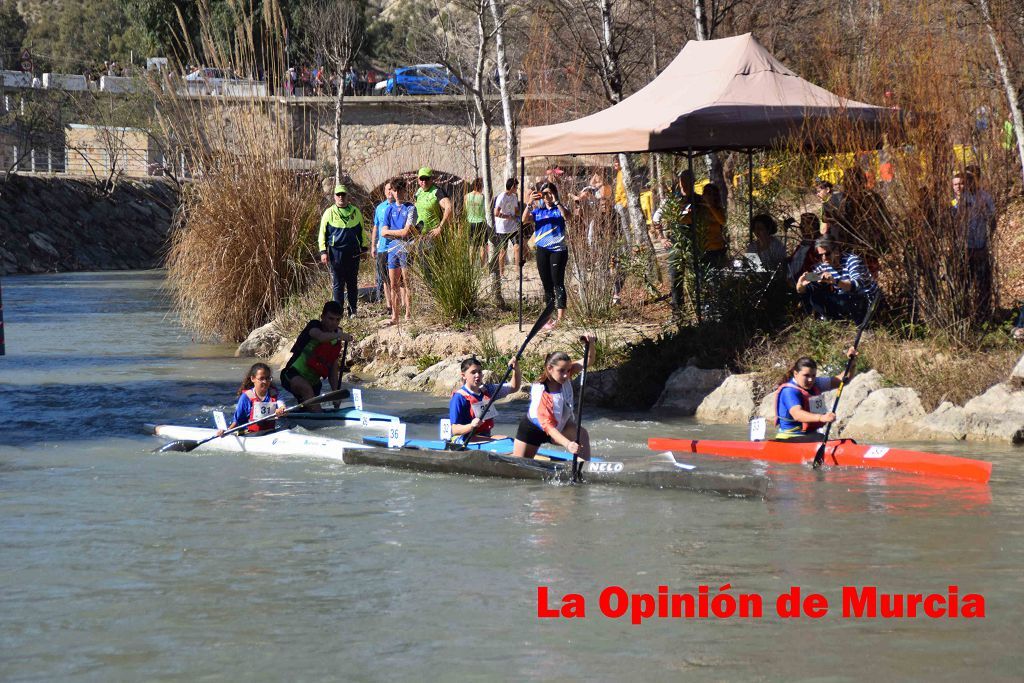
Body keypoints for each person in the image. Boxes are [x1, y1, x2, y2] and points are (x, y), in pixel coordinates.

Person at [512, 338, 596, 460]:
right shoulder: (542, 392)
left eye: (568, 370)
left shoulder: (564, 374)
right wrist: (568, 444)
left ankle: (584, 468)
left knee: (582, 434)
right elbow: (548, 427)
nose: (567, 375)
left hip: (559, 425)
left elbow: (589, 360)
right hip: (533, 430)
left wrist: (591, 344)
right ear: (550, 368)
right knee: (519, 464)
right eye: (561, 371)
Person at [280, 301, 354, 411]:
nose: (334, 323)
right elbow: (320, 337)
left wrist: (335, 393)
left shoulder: (336, 339)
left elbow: (333, 368)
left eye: (337, 320)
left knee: (307, 409)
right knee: (307, 391)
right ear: (322, 317)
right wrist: (339, 335)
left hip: (314, 383)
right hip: (292, 375)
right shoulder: (314, 326)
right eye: (330, 318)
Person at [773, 349, 857, 441]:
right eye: (806, 375)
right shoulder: (789, 391)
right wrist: (821, 418)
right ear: (796, 374)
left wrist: (851, 363)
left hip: (810, 436)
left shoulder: (816, 383)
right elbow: (797, 414)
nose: (810, 380)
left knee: (840, 440)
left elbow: (842, 380)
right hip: (789, 438)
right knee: (820, 437)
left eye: (813, 375)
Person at [522, 182, 571, 329]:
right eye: (544, 194)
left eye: (550, 193)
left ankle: (561, 318)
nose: (547, 196)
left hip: (558, 250)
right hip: (542, 250)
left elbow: (567, 216)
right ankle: (548, 317)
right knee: (547, 285)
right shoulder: (539, 211)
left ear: (554, 193)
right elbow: (524, 219)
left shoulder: (559, 209)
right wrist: (530, 203)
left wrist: (557, 200)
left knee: (558, 283)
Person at [795, 237, 879, 321]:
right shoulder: (824, 266)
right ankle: (827, 319)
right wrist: (801, 286)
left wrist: (835, 281)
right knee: (815, 294)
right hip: (847, 299)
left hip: (866, 300)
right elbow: (808, 284)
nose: (824, 258)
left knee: (845, 298)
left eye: (827, 254)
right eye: (820, 255)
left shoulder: (852, 261)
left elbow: (857, 286)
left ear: (836, 251)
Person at [955, 167, 996, 321]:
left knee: (982, 283)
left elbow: (993, 220)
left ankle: (983, 315)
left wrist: (987, 241)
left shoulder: (985, 197)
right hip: (963, 248)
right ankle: (963, 316)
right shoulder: (958, 198)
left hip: (980, 246)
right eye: (966, 178)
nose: (968, 181)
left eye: (971, 178)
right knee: (963, 284)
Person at [318, 184, 366, 317]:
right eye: (338, 195)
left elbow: (362, 231)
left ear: (347, 196)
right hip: (336, 253)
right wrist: (323, 251)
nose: (341, 197)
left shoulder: (356, 212)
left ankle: (353, 310)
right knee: (338, 284)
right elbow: (322, 233)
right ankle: (337, 313)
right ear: (334, 197)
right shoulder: (329, 212)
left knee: (352, 283)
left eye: (343, 194)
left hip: (353, 253)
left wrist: (364, 248)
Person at [448, 356, 521, 440]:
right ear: (463, 375)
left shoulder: (488, 390)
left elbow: (513, 387)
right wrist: (471, 426)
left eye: (479, 372)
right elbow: (454, 429)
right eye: (473, 372)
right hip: (464, 439)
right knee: (503, 442)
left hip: (484, 436)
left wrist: (516, 369)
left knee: (508, 440)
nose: (477, 375)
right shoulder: (459, 397)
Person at [379, 178, 418, 324]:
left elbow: (406, 232)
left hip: (406, 247)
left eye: (400, 190)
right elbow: (383, 232)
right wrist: (398, 232)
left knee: (407, 282)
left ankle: (408, 314)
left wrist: (392, 232)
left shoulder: (411, 208)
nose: (397, 193)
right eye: (394, 190)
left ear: (404, 190)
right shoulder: (389, 209)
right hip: (392, 249)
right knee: (393, 283)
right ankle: (395, 316)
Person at [219, 362, 286, 436]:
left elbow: (281, 405)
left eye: (267, 378)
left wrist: (282, 409)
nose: (265, 382)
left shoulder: (275, 394)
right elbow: (237, 421)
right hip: (252, 435)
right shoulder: (246, 397)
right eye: (261, 378)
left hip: (270, 434)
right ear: (253, 379)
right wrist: (226, 432)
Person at [371, 182, 395, 307]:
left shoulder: (400, 206)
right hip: (382, 248)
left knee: (397, 279)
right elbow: (376, 227)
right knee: (385, 279)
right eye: (388, 189)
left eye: (392, 189)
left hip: (396, 247)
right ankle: (389, 305)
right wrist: (373, 245)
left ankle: (399, 305)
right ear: (384, 192)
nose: (390, 191)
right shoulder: (380, 208)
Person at [415, 167, 453, 238]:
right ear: (418, 180)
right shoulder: (418, 192)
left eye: (426, 178)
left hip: (434, 236)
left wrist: (440, 228)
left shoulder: (437, 191)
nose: (424, 181)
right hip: (420, 235)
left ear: (431, 179)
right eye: (422, 179)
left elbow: (449, 208)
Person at [493, 177, 520, 276]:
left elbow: (516, 210)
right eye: (516, 186)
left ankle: (518, 272)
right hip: (502, 228)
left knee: (517, 247)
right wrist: (506, 216)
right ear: (512, 187)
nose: (517, 188)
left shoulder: (514, 197)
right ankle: (502, 273)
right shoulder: (501, 197)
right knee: (503, 251)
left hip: (513, 227)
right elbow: (496, 213)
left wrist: (518, 215)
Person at [787, 213, 822, 286]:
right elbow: (794, 261)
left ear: (813, 226)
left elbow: (820, 275)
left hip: (806, 286)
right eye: (801, 223)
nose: (800, 226)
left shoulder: (820, 246)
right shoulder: (804, 243)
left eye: (804, 224)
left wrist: (799, 279)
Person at [464, 177, 488, 265]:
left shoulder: (466, 196)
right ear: (481, 186)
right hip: (481, 222)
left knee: (472, 246)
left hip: (470, 223)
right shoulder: (482, 197)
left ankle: (471, 266)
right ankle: (482, 267)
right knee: (482, 246)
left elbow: (465, 210)